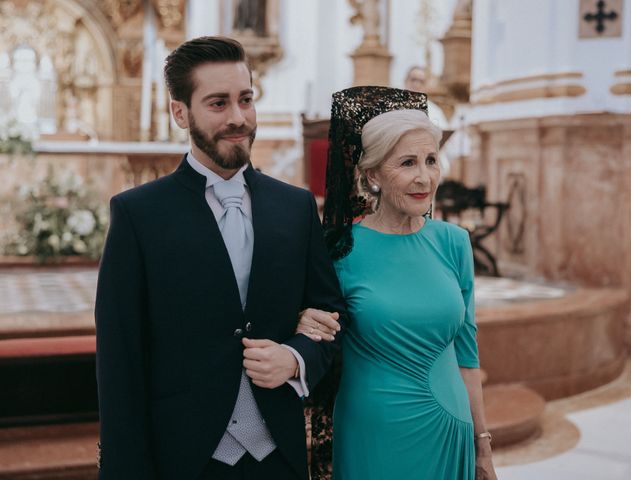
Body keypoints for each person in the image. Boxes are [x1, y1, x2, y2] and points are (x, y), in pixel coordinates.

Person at [95, 36, 346, 480]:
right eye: (218, 103)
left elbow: (330, 315)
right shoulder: (138, 215)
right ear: (180, 112)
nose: (238, 118)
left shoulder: (296, 207)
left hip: (279, 458)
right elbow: (120, 361)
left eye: (245, 100)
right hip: (183, 458)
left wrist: (296, 358)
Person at [297, 86, 497, 479]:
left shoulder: (454, 243)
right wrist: (301, 319)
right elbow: (310, 328)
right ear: (372, 174)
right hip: (374, 430)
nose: (424, 178)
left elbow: (467, 355)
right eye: (407, 163)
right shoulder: (338, 250)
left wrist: (483, 444)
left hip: (450, 426)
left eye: (431, 160)